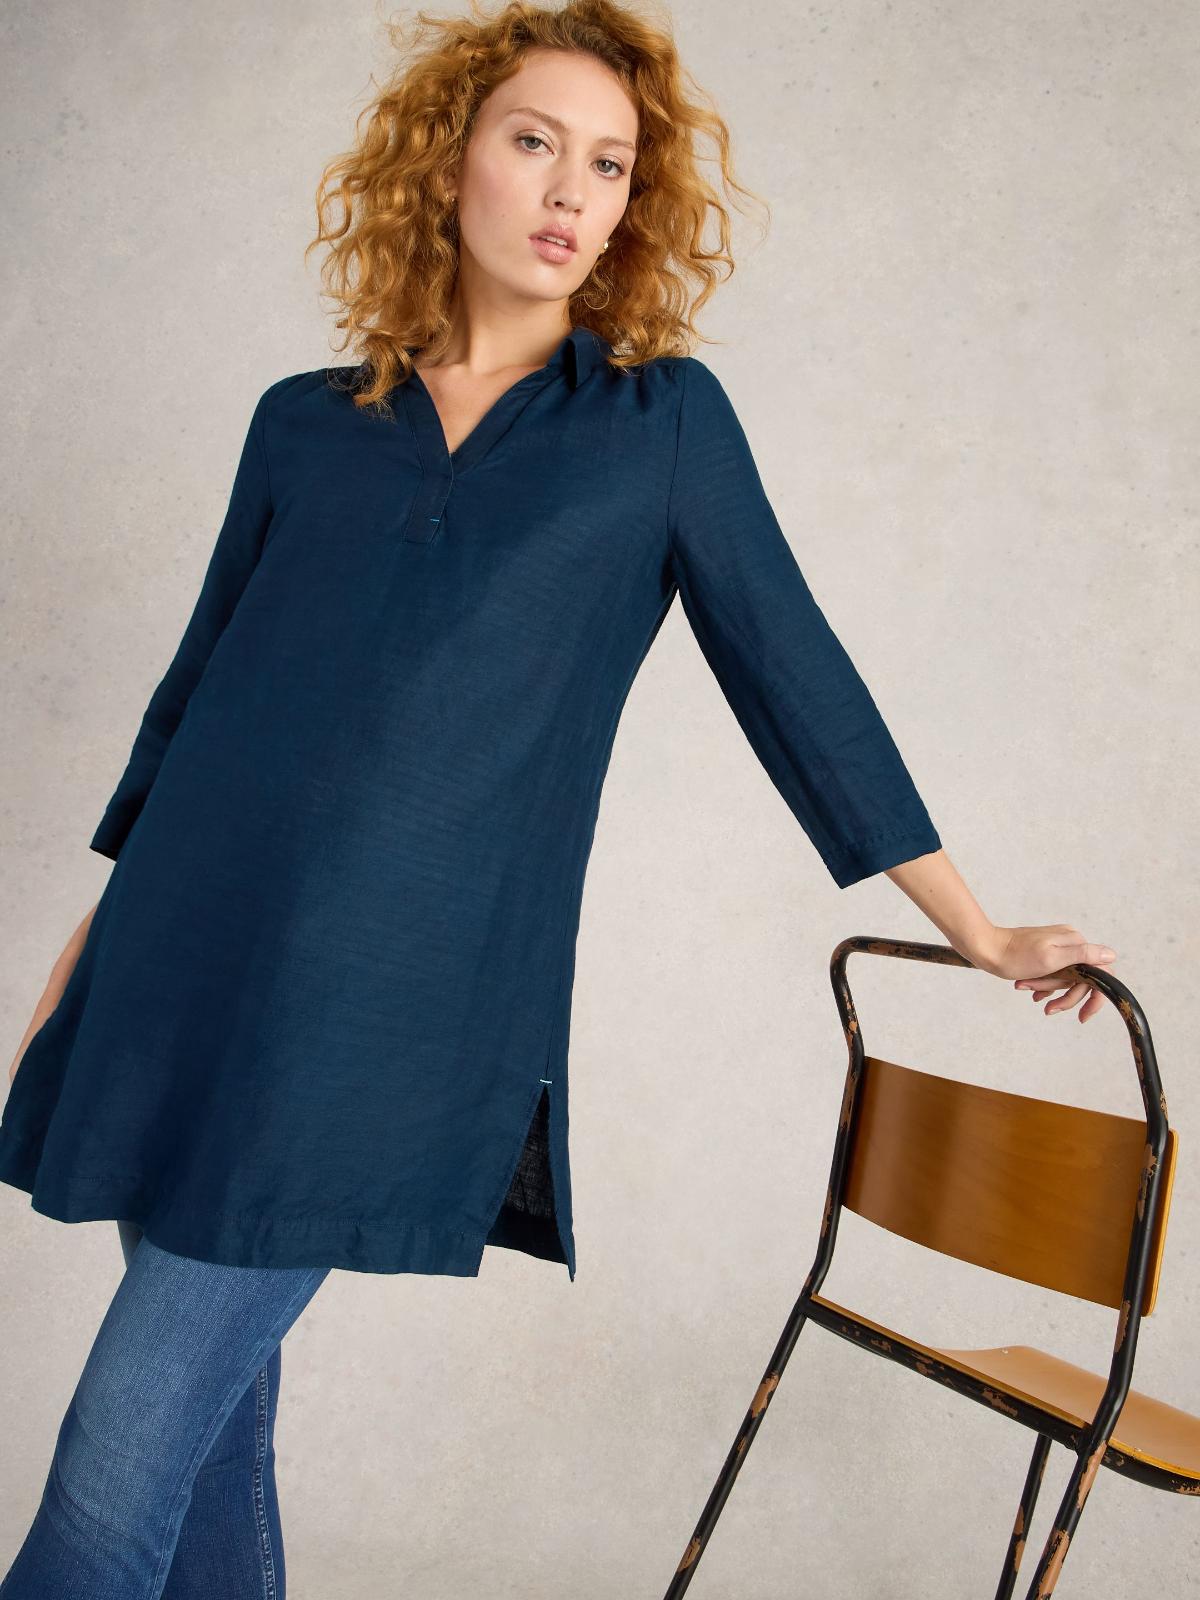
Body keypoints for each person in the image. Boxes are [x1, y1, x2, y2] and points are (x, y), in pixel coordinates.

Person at [0, 3, 1117, 1594]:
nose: (570, 193)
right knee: (209, 1439)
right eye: (535, 142)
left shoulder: (658, 428)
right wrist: (96, 933)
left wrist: (980, 927)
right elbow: (198, 697)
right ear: (448, 159)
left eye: (608, 164)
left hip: (388, 1017)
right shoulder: (304, 423)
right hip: (186, 962)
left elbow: (799, 680)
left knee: (109, 1487)